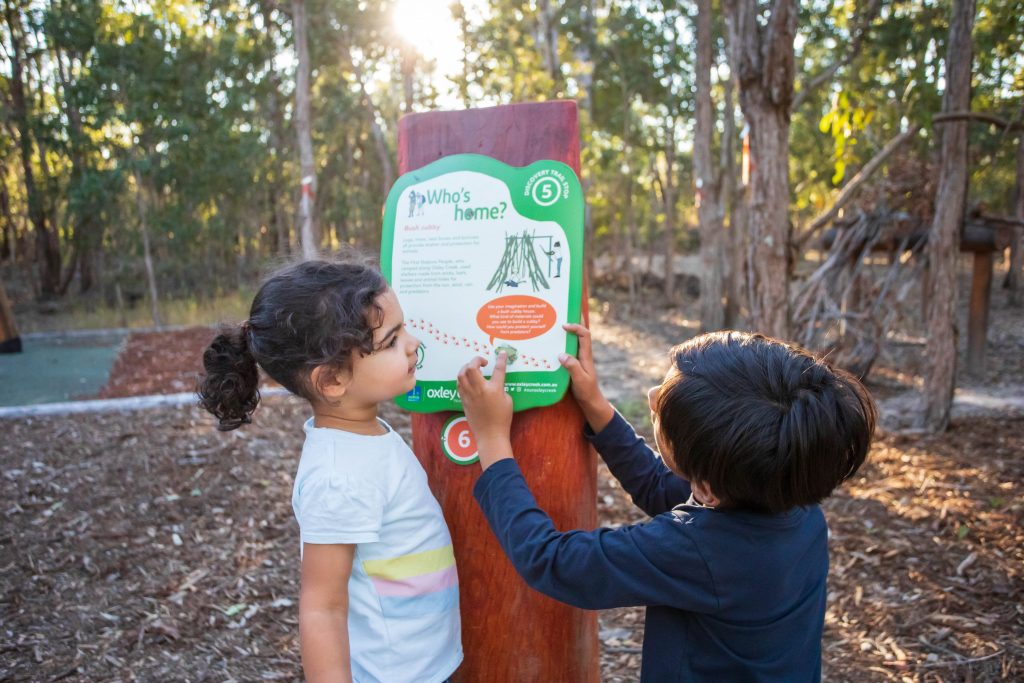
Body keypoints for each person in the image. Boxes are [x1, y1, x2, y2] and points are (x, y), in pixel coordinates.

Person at [456, 325, 876, 682]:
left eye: (663, 411)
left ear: (708, 488)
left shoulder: (698, 551)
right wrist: (596, 407)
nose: (654, 394)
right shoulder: (791, 500)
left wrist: (492, 441)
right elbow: (661, 486)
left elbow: (553, 561)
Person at [198, 259, 461, 683]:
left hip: (423, 662)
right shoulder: (340, 477)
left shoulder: (363, 436)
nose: (413, 344)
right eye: (392, 341)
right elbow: (322, 607)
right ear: (333, 380)